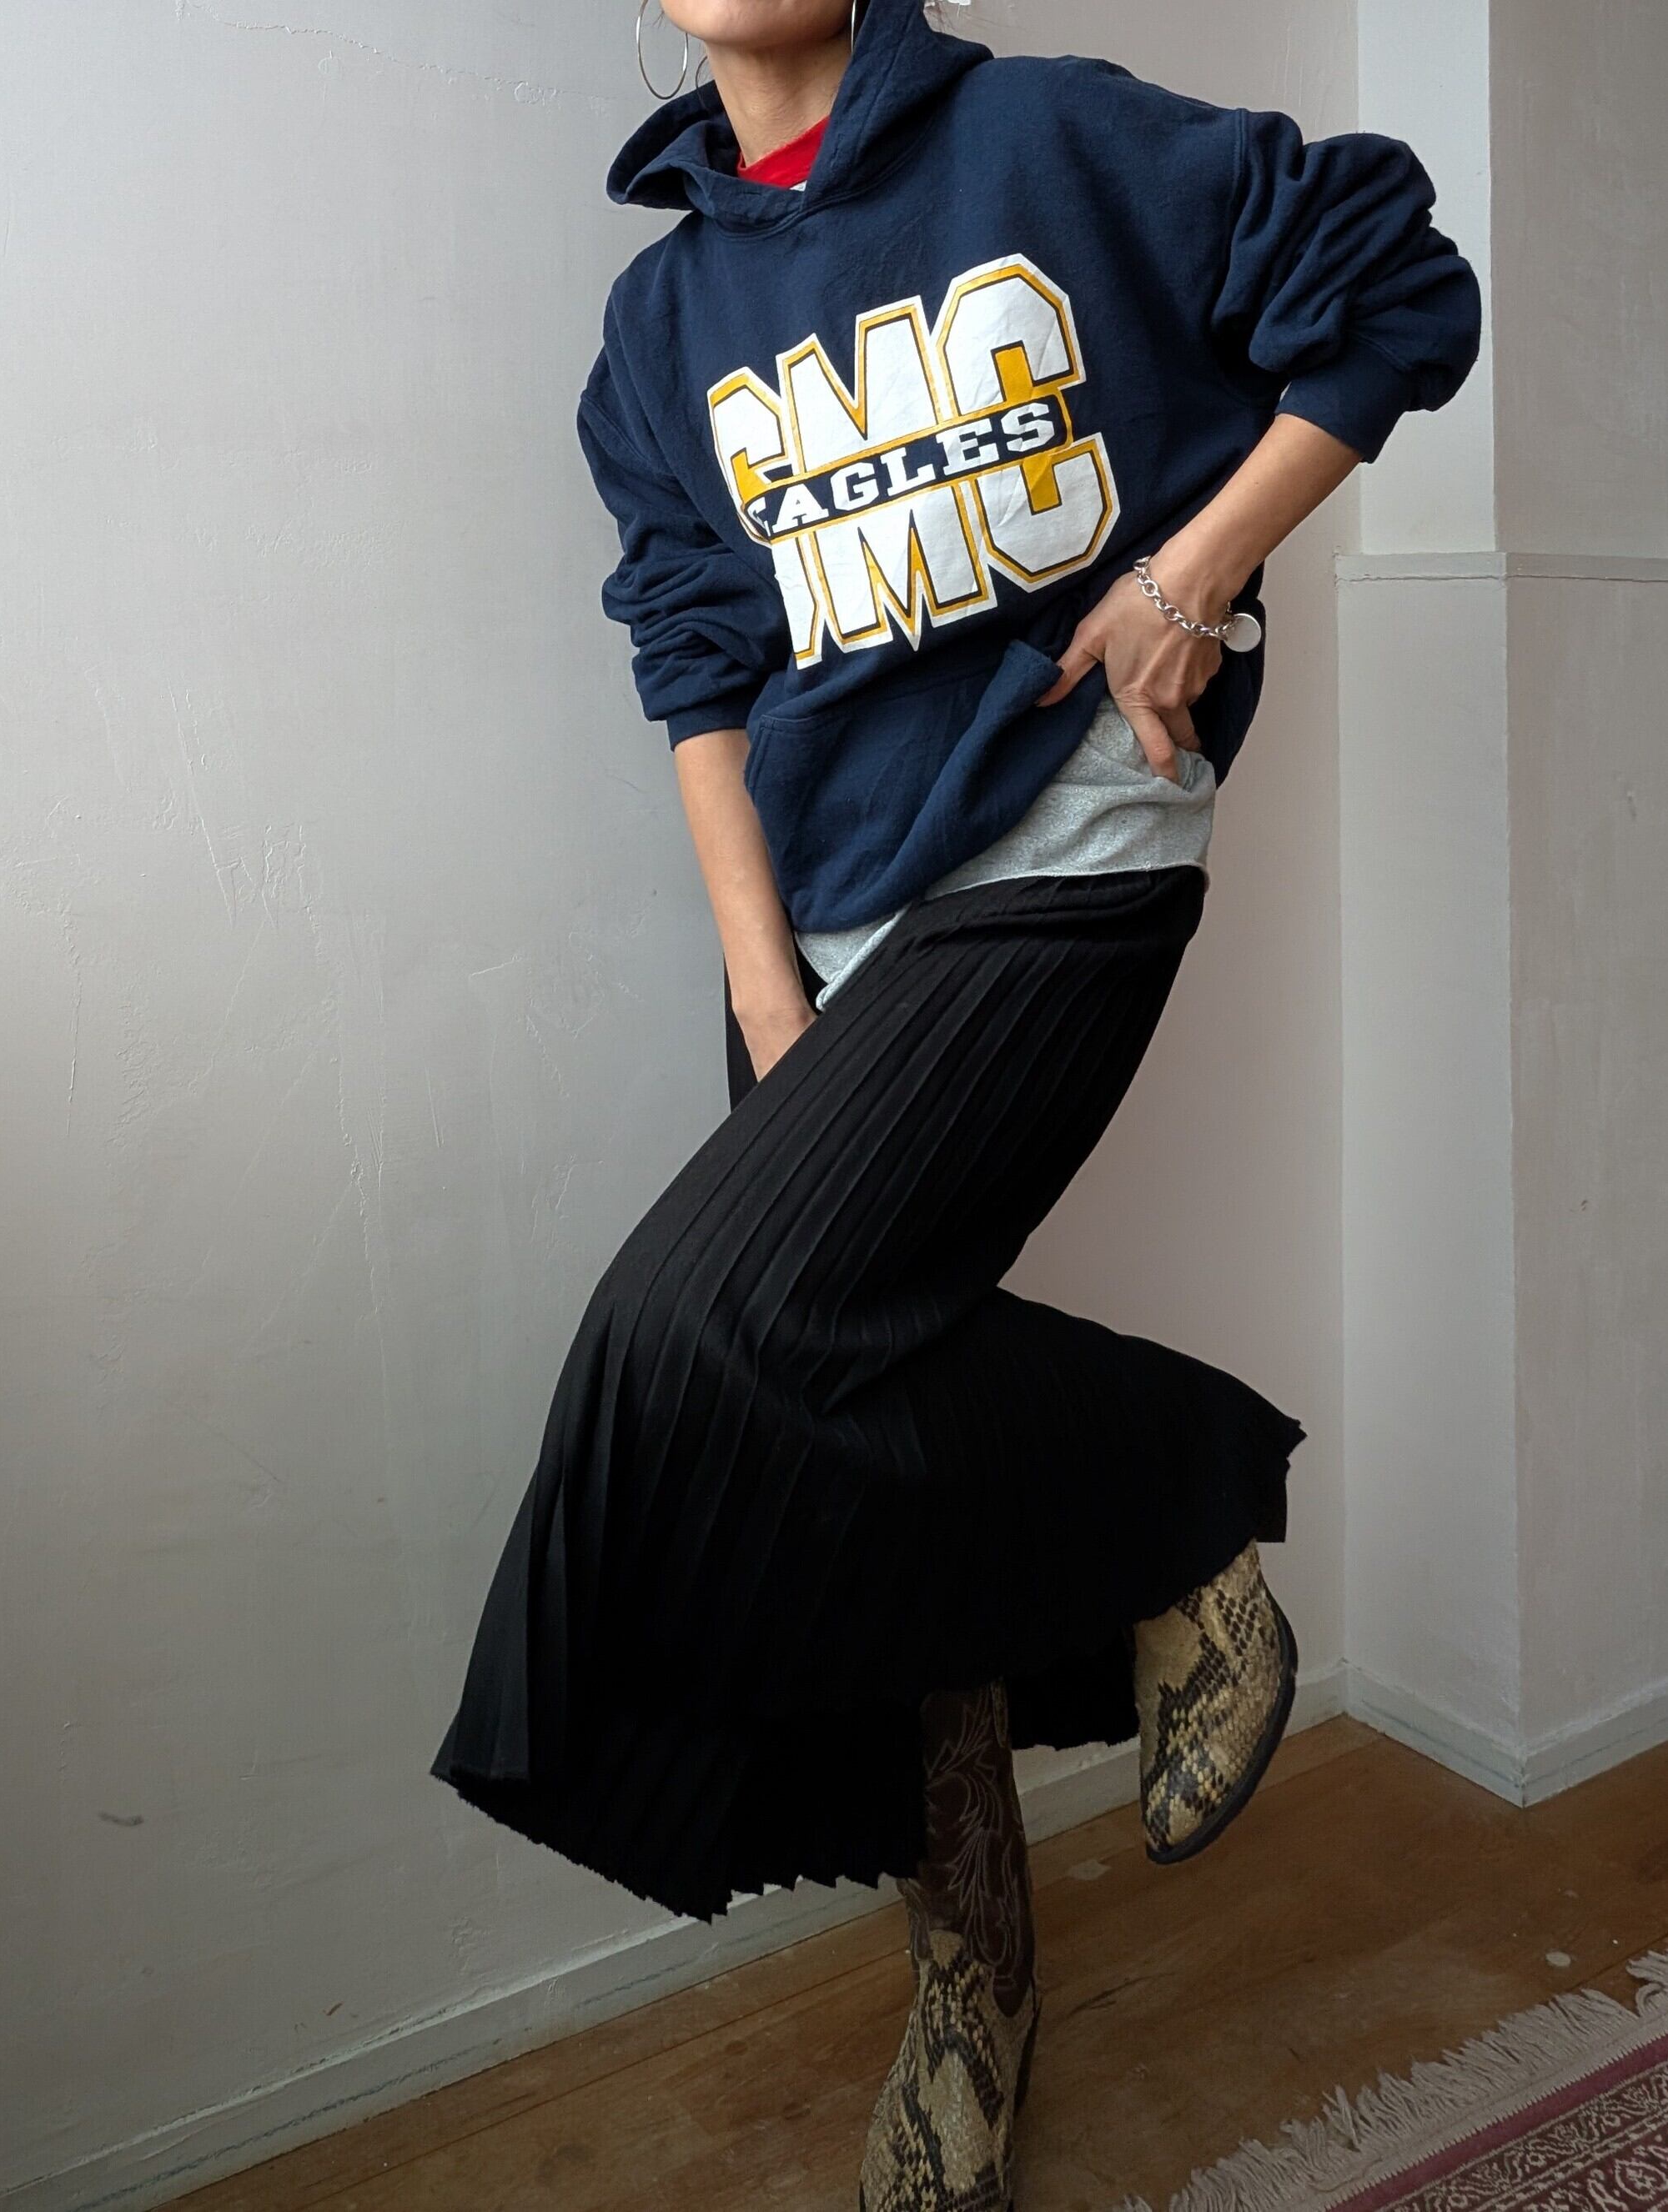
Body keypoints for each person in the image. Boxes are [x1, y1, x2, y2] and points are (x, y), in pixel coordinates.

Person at [434, 4, 1481, 2204]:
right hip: (810, 924)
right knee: (844, 1452)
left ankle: (1185, 1513)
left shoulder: (1048, 138)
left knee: (685, 1335)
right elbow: (696, 668)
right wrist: (762, 985)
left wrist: (1194, 575)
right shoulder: (660, 322)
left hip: (1063, 836)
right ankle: (972, 1979)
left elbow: (1392, 283)